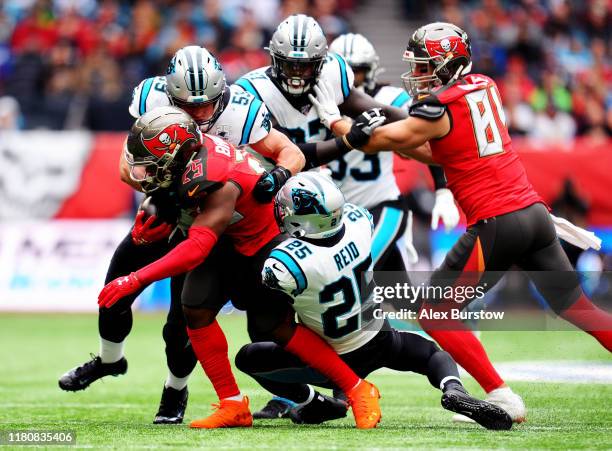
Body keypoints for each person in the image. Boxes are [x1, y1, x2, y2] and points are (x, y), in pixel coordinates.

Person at [324, 22, 612, 423]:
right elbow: (439, 150)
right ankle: (500, 392)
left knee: (435, 312)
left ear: (448, 65)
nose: (418, 75)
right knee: (578, 307)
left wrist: (334, 120)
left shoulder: (440, 106)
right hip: (533, 214)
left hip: (498, 222)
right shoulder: (484, 85)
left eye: (425, 67)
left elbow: (381, 141)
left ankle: (501, 396)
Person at [58, 45, 305, 425]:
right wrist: (162, 197)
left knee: (181, 322)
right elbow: (129, 167)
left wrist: (279, 175)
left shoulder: (241, 109)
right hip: (167, 207)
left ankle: (175, 391)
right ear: (169, 96)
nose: (202, 113)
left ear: (222, 91)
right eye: (190, 106)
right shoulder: (149, 98)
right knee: (112, 294)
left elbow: (290, 152)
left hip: (209, 219)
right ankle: (110, 360)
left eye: (209, 103)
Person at [97, 106, 383, 430]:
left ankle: (358, 389)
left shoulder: (215, 176)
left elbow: (197, 247)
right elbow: (182, 204)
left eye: (151, 164)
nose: (145, 172)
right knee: (195, 308)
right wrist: (159, 226)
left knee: (274, 328)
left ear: (175, 157)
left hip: (262, 242)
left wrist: (136, 279)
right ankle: (233, 405)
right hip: (229, 239)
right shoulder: (188, 159)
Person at [234, 15, 458, 418]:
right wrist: (345, 137)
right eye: (291, 63)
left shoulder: (341, 82)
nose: (300, 73)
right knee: (271, 309)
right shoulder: (252, 92)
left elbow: (406, 128)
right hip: (294, 208)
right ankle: (318, 388)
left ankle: (354, 378)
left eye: (309, 64)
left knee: (349, 293)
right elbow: (285, 152)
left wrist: (443, 183)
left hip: (356, 210)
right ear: (274, 60)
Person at [235, 172, 512, 431]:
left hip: (335, 357)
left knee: (248, 358)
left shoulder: (285, 262)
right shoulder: (358, 221)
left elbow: (268, 317)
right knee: (432, 355)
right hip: (380, 337)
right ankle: (454, 389)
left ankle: (313, 402)